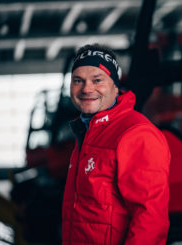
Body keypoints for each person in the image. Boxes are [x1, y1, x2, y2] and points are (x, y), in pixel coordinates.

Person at [62, 43, 171, 245]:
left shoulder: (136, 134)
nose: (87, 88)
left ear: (115, 85)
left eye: (97, 80)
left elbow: (150, 218)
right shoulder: (87, 131)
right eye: (78, 80)